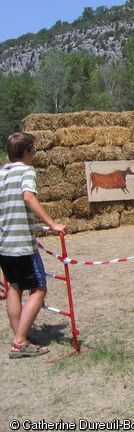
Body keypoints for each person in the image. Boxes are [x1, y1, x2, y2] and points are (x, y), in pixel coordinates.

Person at [0, 132, 66, 358]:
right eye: (34, 151)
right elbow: (28, 196)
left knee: (15, 288)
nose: (35, 156)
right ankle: (19, 342)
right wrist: (52, 223)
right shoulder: (26, 171)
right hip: (21, 244)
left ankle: (21, 335)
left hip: (4, 243)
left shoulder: (2, 173)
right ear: (27, 152)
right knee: (39, 289)